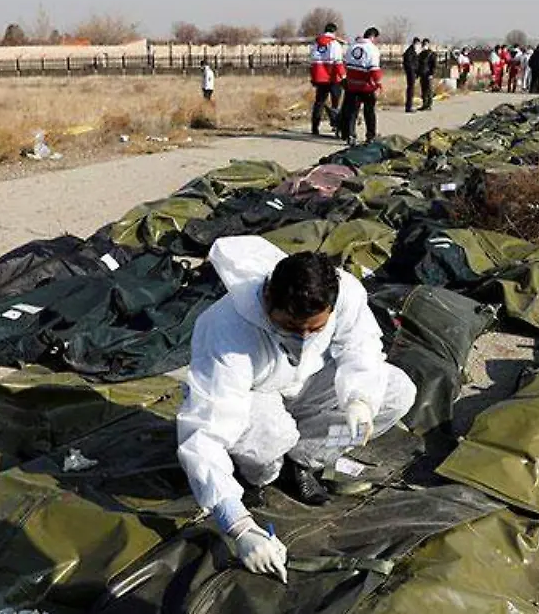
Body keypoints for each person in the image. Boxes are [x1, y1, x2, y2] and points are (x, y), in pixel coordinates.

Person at [176, 237, 417, 582]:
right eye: (290, 327)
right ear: (268, 301)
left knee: (396, 391)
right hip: (254, 396)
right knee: (271, 442)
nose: (303, 337)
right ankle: (266, 471)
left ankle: (304, 459)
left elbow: (360, 347)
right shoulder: (226, 330)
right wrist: (237, 524)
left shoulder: (344, 293)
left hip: (305, 382)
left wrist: (360, 399)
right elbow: (205, 433)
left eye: (315, 329)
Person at [339, 27, 383, 145]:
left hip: (352, 85)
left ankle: (350, 135)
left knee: (352, 111)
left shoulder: (352, 47)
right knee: (369, 112)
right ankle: (370, 136)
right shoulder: (372, 49)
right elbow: (374, 70)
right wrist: (378, 83)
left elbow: (345, 64)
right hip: (366, 86)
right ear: (373, 37)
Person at [309, 23, 346, 136]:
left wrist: (313, 77)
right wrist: (343, 76)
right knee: (335, 103)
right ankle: (336, 126)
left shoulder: (315, 44)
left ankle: (315, 127)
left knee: (319, 103)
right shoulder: (335, 44)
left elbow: (312, 62)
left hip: (320, 78)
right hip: (334, 78)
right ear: (334, 31)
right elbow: (338, 63)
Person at [417, 39, 438, 110]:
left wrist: (431, 74)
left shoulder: (432, 54)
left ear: (428, 44)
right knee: (423, 90)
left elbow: (434, 65)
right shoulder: (421, 54)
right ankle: (424, 104)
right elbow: (419, 64)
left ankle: (429, 105)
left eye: (425, 44)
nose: (424, 45)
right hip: (422, 74)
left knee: (429, 90)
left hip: (428, 74)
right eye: (423, 44)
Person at [402, 37, 421, 113]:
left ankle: (409, 105)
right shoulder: (410, 51)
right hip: (411, 73)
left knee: (411, 89)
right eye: (418, 44)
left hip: (413, 72)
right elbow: (408, 63)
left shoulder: (413, 51)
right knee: (410, 89)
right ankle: (408, 107)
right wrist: (413, 71)